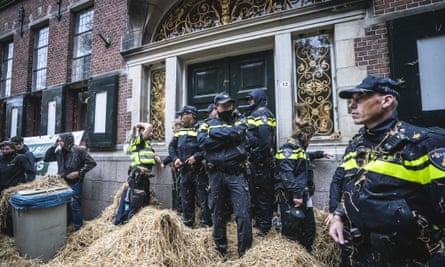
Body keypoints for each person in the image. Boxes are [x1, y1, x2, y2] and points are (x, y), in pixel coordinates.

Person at [327, 75, 445, 266]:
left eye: (360, 99)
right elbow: (350, 187)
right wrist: (338, 216)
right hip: (360, 255)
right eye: (351, 101)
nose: (351, 106)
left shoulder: (423, 144)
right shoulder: (356, 145)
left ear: (387, 101)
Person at [197, 93, 252, 257]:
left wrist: (215, 137)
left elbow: (241, 135)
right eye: (224, 105)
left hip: (236, 174)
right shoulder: (206, 124)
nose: (227, 108)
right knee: (218, 214)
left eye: (229, 105)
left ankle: (246, 254)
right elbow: (202, 143)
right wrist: (230, 137)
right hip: (215, 175)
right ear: (216, 108)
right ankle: (220, 251)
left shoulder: (240, 121)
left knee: (243, 214)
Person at [274, 117, 317, 252]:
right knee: (292, 231)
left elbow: (301, 163)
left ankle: (305, 256)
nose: (310, 141)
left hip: (302, 193)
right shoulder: (289, 149)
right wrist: (297, 195)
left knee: (308, 229)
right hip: (291, 196)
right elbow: (287, 175)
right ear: (305, 136)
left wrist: (320, 154)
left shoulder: (298, 149)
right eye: (310, 138)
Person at [168, 105, 212, 228]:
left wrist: (196, 157)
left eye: (183, 115)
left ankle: (206, 224)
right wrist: (175, 158)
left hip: (198, 171)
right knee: (186, 198)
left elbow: (207, 148)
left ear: (192, 115)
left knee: (203, 199)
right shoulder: (180, 131)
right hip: (184, 171)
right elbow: (171, 147)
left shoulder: (201, 129)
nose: (181, 117)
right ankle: (188, 223)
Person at [44, 132, 96, 231]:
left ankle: (78, 227)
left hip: (75, 182)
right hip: (62, 181)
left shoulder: (79, 150)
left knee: (74, 204)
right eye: (58, 140)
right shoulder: (59, 152)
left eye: (61, 140)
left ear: (67, 140)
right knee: (64, 204)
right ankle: (67, 224)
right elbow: (47, 158)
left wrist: (79, 172)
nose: (59, 142)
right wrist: (53, 146)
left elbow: (92, 163)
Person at [245, 89, 276, 236]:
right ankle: (259, 222)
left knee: (263, 195)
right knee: (257, 193)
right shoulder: (256, 113)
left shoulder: (261, 113)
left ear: (258, 99)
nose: (249, 102)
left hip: (261, 163)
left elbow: (264, 140)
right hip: (258, 162)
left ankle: (264, 227)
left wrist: (257, 157)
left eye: (251, 99)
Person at [162, 119, 183, 214]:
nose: (172, 129)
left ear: (178, 127)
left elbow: (173, 153)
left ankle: (179, 211)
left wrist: (164, 162)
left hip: (179, 168)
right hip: (178, 167)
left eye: (173, 127)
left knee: (178, 190)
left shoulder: (178, 137)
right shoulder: (179, 137)